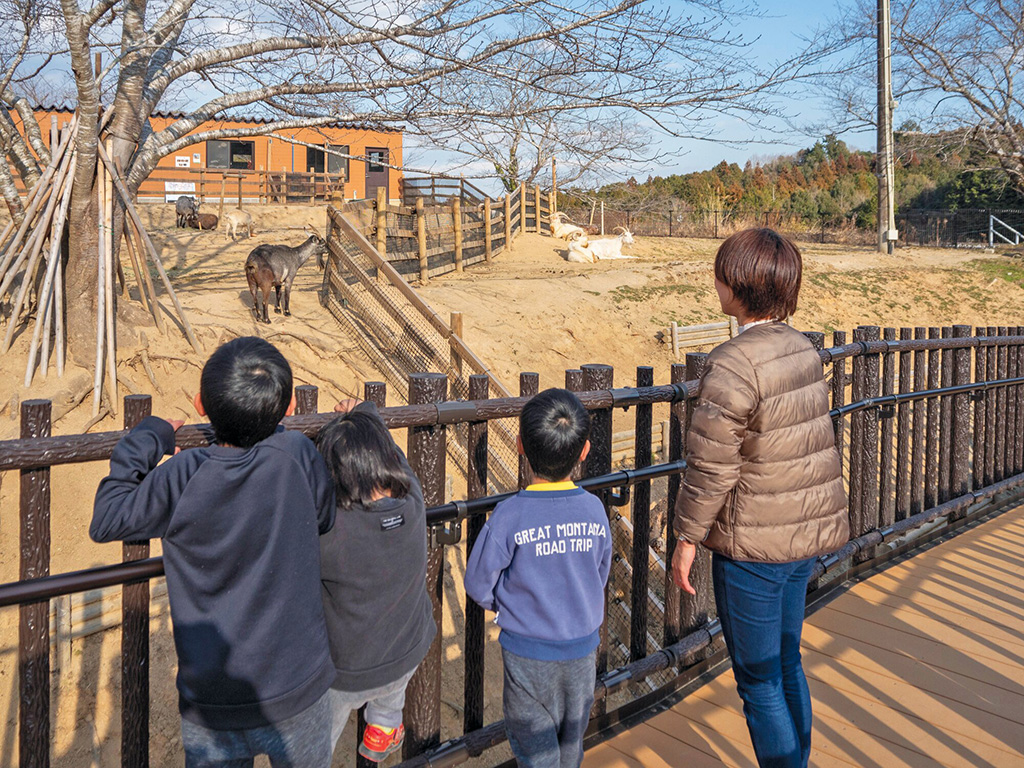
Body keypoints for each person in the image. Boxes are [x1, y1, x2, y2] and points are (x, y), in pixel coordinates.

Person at [91, 336, 337, 768]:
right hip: (300, 685)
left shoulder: (183, 475)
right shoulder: (296, 453)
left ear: (200, 404)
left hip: (213, 700)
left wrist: (149, 436)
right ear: (288, 409)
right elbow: (323, 517)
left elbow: (107, 518)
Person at [671, 228, 849, 768]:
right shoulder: (800, 347)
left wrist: (686, 537)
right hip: (804, 535)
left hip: (754, 544)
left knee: (758, 680)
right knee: (786, 662)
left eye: (722, 273)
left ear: (737, 285)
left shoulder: (732, 361)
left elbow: (711, 464)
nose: (717, 281)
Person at [465, 388, 613, 768]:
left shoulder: (510, 514)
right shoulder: (594, 510)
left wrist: (507, 603)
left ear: (519, 446)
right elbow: (600, 571)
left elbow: (478, 583)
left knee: (535, 751)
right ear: (584, 452)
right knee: (571, 743)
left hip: (528, 653)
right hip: (582, 647)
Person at [315, 398, 436, 763]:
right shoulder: (413, 505)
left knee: (319, 735)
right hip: (408, 652)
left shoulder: (331, 533)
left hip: (346, 673)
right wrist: (367, 413)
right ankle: (383, 726)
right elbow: (400, 464)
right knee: (390, 684)